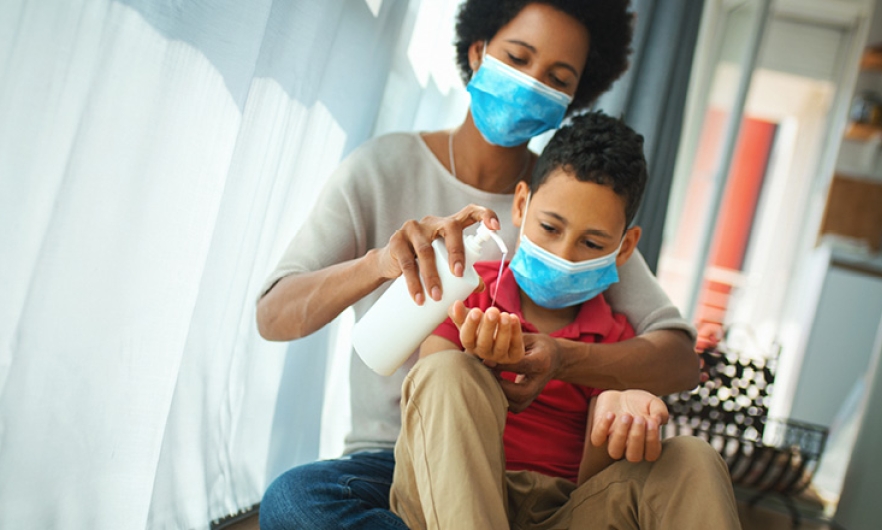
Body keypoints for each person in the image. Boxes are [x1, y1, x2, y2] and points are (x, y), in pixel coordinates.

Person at [257, 1, 700, 528]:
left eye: (557, 78)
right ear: (479, 50)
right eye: (518, 57)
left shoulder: (566, 207)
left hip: (522, 466)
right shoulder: (383, 168)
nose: (532, 82)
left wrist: (559, 358)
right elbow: (274, 314)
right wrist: (379, 264)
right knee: (296, 501)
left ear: (571, 100)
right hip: (392, 454)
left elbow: (676, 358)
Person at [389, 112, 740, 529]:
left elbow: (598, 486)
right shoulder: (467, 291)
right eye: (550, 227)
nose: (565, 254)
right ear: (521, 205)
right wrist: (476, 356)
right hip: (446, 497)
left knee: (692, 458)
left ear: (625, 247)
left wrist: (614, 419)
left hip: (559, 512)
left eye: (591, 243)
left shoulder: (616, 342)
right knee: (448, 370)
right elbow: (430, 394)